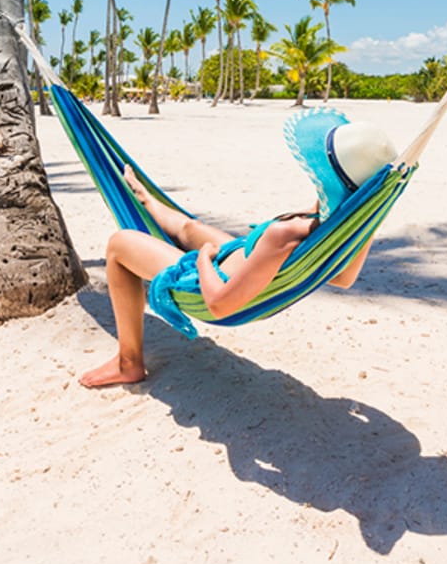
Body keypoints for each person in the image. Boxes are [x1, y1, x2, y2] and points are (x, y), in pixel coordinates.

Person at [79, 108, 398, 388]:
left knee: (118, 245)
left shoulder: (284, 233)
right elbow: (342, 278)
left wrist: (202, 259)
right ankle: (144, 198)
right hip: (240, 255)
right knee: (189, 227)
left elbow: (218, 304)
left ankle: (128, 362)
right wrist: (367, 218)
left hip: (210, 279)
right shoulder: (338, 225)